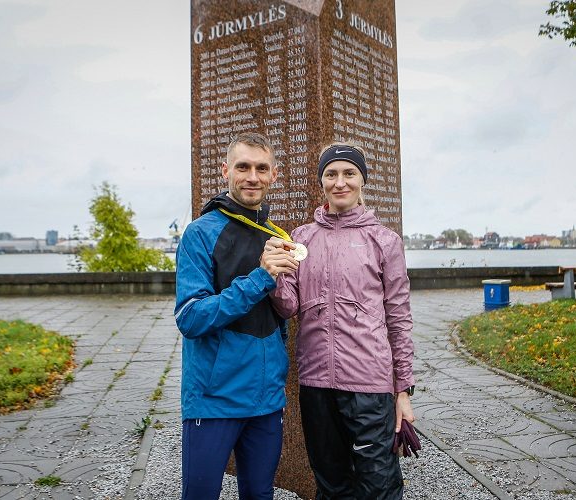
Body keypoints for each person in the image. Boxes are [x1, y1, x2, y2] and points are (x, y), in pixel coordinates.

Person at [265, 142, 415, 499]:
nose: (340, 182)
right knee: (331, 483)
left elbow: (399, 317)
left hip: (369, 383)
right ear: (322, 182)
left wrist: (404, 390)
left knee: (379, 484)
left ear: (362, 179)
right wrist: (272, 273)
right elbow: (288, 307)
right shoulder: (301, 238)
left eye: (349, 173)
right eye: (331, 174)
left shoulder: (384, 241)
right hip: (317, 382)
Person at [174, 132, 299, 500]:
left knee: (260, 496)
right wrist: (260, 277)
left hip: (267, 398)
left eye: (262, 168)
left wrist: (282, 286)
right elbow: (191, 318)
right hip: (214, 398)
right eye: (243, 167)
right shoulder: (200, 234)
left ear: (274, 176)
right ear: (226, 170)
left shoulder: (277, 236)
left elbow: (287, 311)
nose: (252, 176)